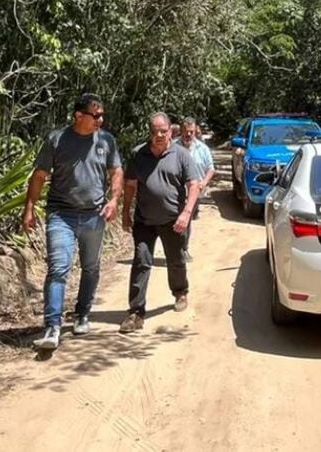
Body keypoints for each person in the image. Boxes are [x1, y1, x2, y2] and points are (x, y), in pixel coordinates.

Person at [22, 93, 123, 349]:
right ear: (79, 116)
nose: (101, 119)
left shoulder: (106, 140)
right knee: (58, 268)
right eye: (96, 115)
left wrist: (114, 201)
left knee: (91, 267)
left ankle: (82, 314)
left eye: (102, 114)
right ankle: (52, 326)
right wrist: (30, 208)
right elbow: (39, 175)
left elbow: (116, 171)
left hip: (94, 215)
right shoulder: (57, 140)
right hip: (61, 214)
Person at [119, 112, 201, 333]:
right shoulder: (138, 154)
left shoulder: (181, 155)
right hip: (144, 220)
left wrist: (186, 213)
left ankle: (180, 291)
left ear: (170, 131)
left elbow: (194, 185)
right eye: (154, 131)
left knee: (175, 260)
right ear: (149, 131)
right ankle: (136, 312)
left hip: (173, 220)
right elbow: (130, 185)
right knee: (141, 261)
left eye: (162, 131)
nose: (158, 135)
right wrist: (125, 211)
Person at [175, 116, 215, 261]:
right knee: (176, 219)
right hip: (176, 191)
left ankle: (183, 248)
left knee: (187, 219)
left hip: (195, 191)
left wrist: (204, 182)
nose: (188, 135)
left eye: (191, 132)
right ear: (181, 131)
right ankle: (176, 249)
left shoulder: (202, 149)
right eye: (186, 132)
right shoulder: (173, 147)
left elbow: (210, 168)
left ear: (195, 131)